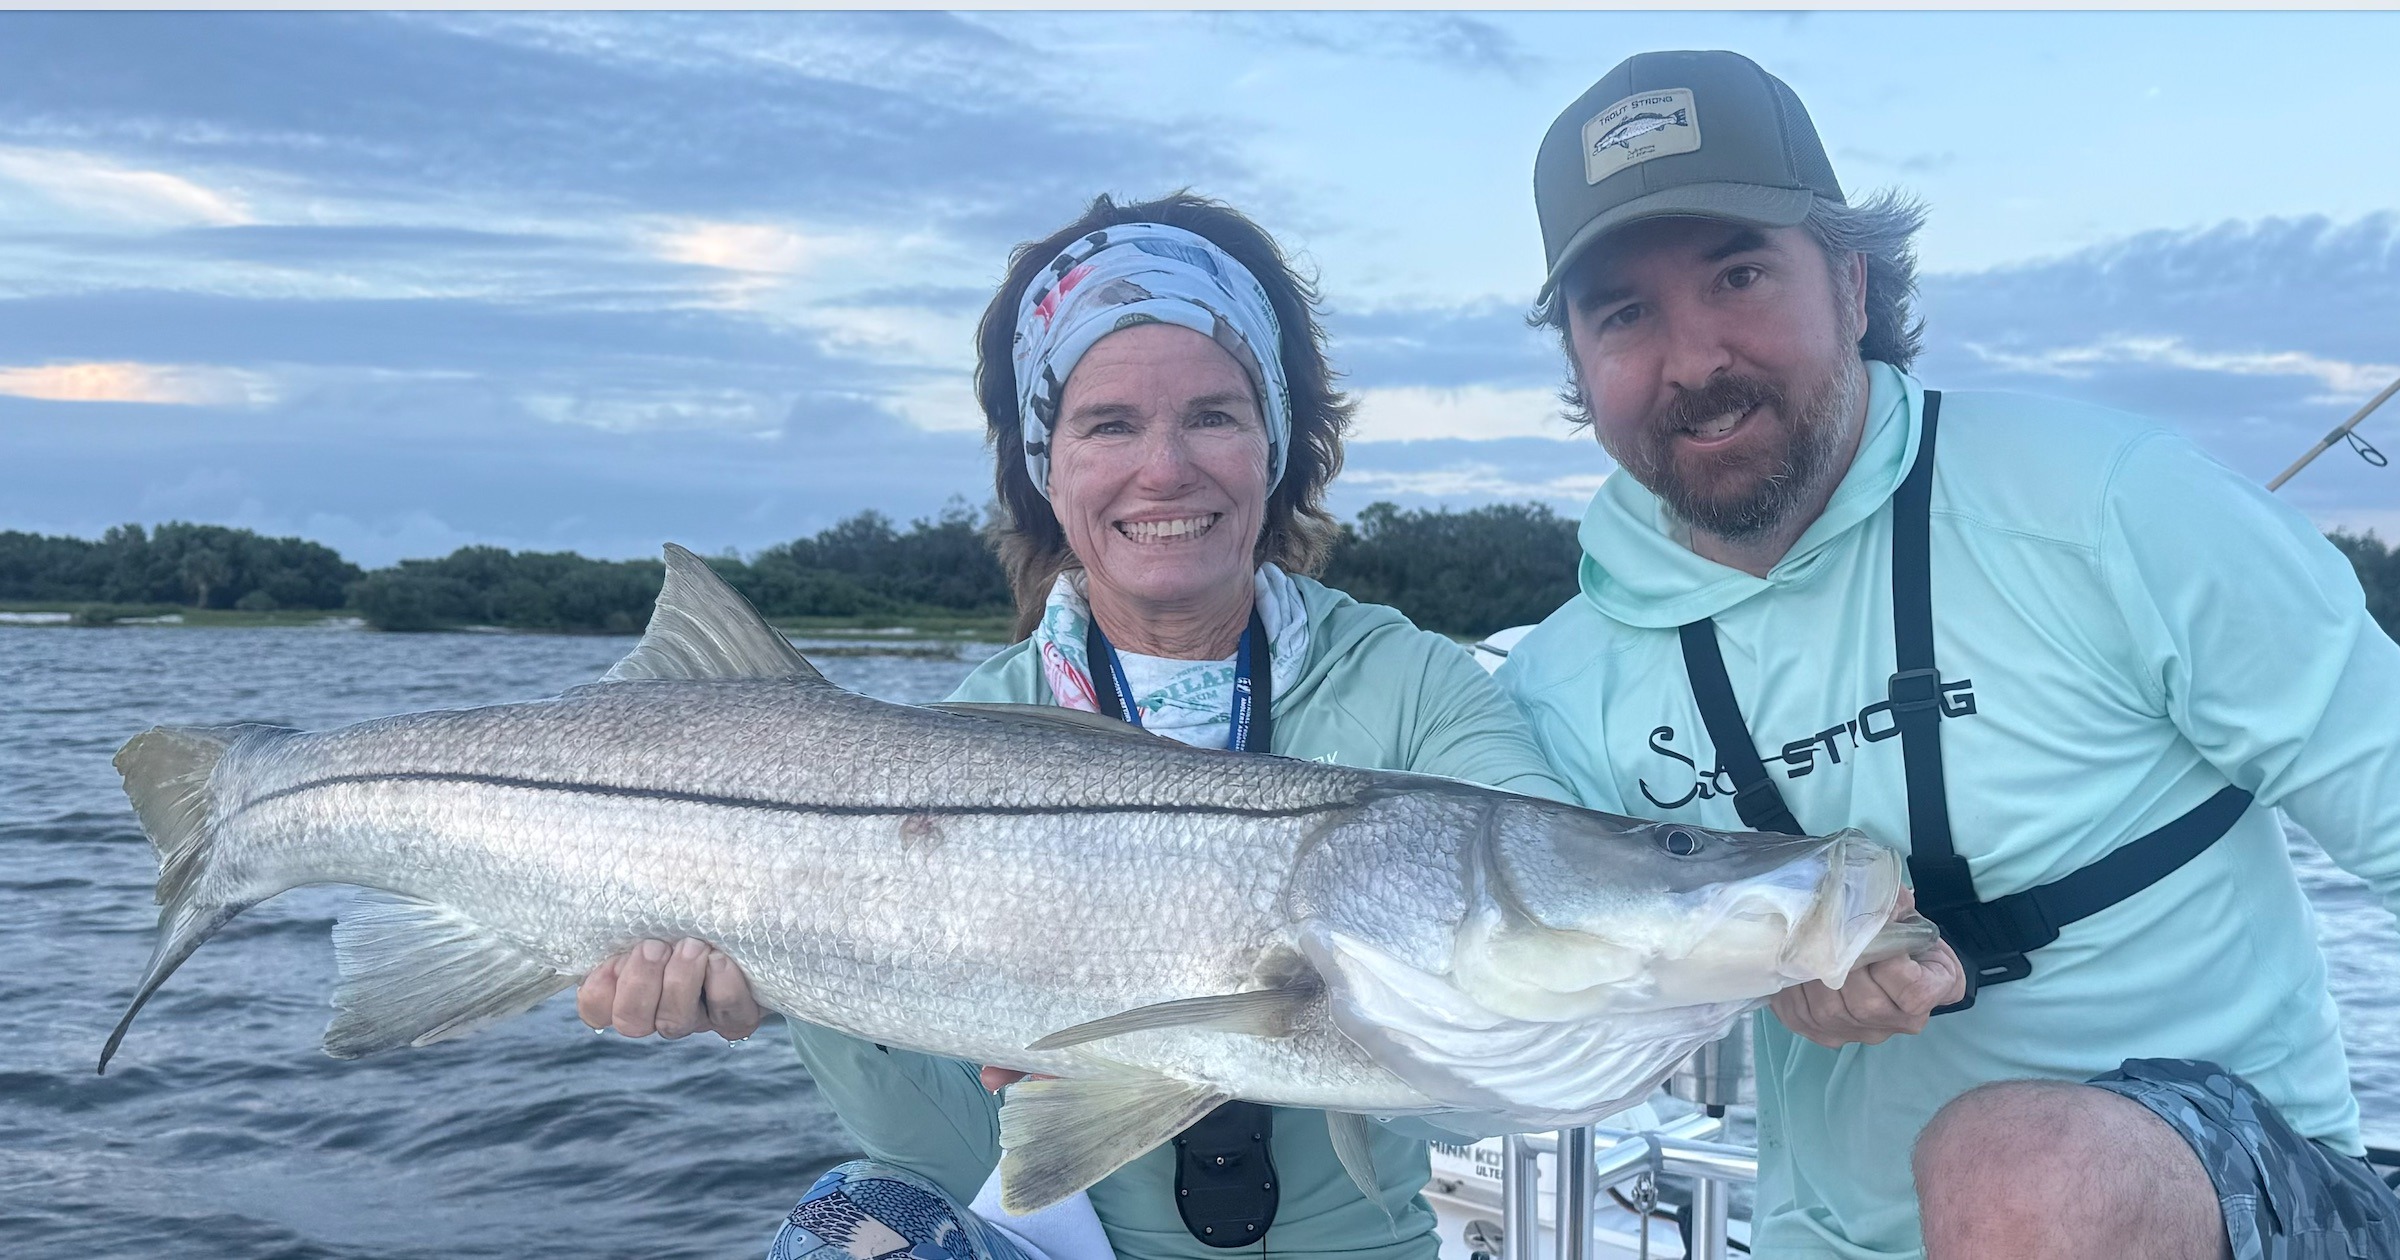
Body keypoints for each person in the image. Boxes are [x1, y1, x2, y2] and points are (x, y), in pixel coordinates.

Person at [1495, 49, 2400, 1260]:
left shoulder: (2111, 504)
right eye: (1624, 314)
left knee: (2023, 1176)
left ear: (1853, 283)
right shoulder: (1560, 689)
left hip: (2242, 1204)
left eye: (1740, 275)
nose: (1695, 359)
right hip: (1834, 1235)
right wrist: (1721, 975)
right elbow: (1499, 1046)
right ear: (1578, 365)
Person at [580, 191, 1570, 1260]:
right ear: (1046, 465)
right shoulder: (959, 744)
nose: (1166, 468)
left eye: (1214, 414)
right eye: (1109, 424)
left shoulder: (1416, 687)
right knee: (843, 1226)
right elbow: (947, 1155)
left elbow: (1550, 965)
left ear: (1275, 443)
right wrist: (802, 984)